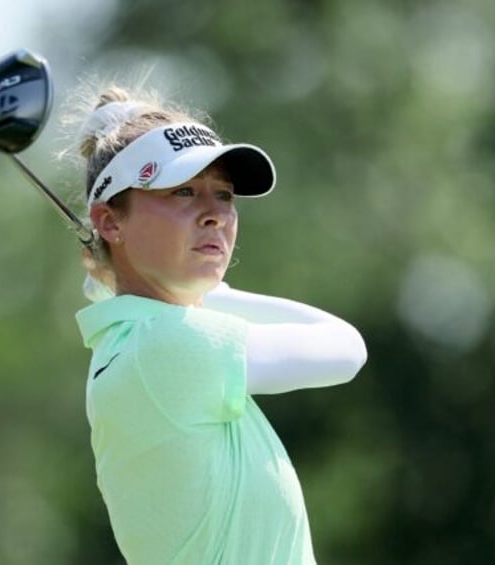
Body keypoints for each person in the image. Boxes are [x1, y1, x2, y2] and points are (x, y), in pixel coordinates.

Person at [68, 85, 368, 564]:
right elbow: (347, 348)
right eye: (183, 191)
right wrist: (216, 297)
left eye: (223, 194)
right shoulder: (166, 345)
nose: (214, 215)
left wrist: (207, 297)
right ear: (109, 221)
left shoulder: (136, 344)